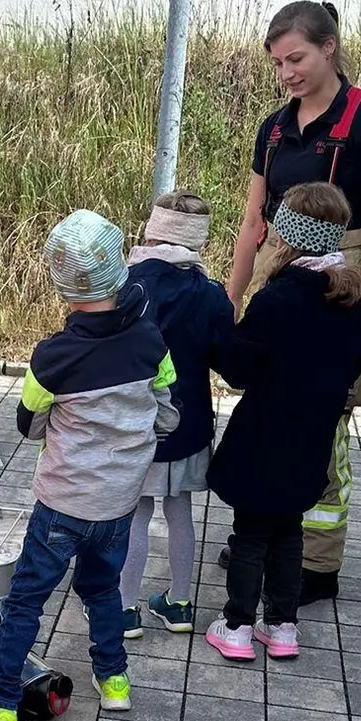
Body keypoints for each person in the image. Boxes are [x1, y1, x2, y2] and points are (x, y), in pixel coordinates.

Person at [0, 209, 180, 721]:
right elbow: (165, 410)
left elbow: (30, 423)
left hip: (62, 506)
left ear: (63, 287)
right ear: (119, 270)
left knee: (26, 599)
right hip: (118, 504)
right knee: (103, 590)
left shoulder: (52, 357)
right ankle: (114, 680)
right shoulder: (151, 342)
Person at [221, 0, 361, 605]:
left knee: (325, 427)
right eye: (277, 63)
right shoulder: (274, 128)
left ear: (329, 48)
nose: (286, 73)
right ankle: (266, 531)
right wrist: (232, 298)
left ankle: (317, 566)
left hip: (337, 282)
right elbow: (254, 220)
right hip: (282, 280)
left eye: (295, 58)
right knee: (273, 413)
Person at [205, 182, 361, 661]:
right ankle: (281, 626)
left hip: (266, 439)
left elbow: (240, 367)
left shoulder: (277, 301)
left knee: (250, 535)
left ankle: (236, 624)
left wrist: (219, 329)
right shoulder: (347, 302)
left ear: (285, 236)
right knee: (290, 534)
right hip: (312, 439)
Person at [115, 191, 236, 636]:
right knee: (180, 509)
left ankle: (125, 609)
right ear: (198, 241)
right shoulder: (209, 292)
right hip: (189, 423)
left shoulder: (126, 285)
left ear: (153, 228)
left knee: (137, 514)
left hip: (137, 420)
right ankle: (180, 603)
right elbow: (230, 360)